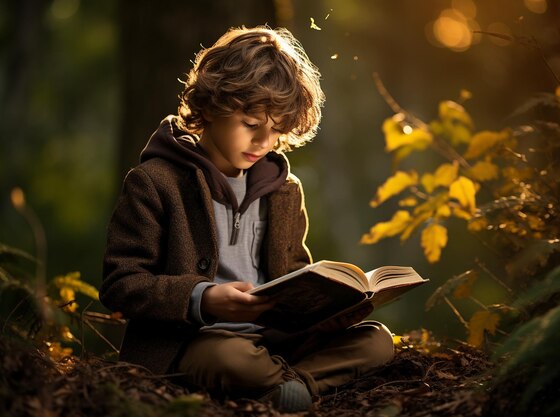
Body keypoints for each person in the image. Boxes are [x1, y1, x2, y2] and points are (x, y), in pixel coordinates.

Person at [100, 25, 394, 412]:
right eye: (252, 125)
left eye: (276, 131)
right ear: (209, 105)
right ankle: (298, 384)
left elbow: (292, 272)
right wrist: (202, 298)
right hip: (197, 341)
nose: (263, 143)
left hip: (273, 340)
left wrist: (331, 308)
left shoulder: (285, 190)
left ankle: (291, 387)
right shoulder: (155, 183)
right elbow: (123, 283)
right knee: (230, 360)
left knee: (378, 340)